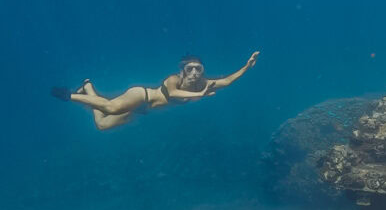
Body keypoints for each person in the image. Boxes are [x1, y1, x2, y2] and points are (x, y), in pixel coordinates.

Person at [51, 52, 259, 131]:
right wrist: (198, 95)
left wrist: (246, 67)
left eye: (198, 69)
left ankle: (88, 87)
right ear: (182, 70)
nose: (194, 73)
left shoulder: (203, 84)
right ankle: (69, 95)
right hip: (141, 96)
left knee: (102, 125)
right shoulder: (173, 80)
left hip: (143, 110)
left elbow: (228, 81)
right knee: (112, 108)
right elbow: (174, 95)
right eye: (190, 69)